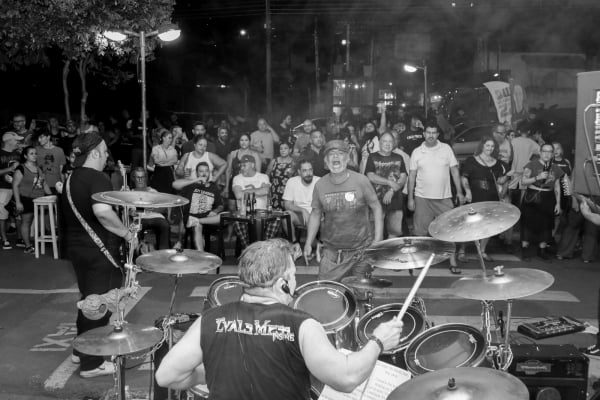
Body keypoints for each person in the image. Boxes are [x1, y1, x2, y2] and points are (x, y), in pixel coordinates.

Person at [155, 239, 403, 398]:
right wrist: (378, 341)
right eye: (292, 275)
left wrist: (210, 372)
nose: (295, 281)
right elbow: (346, 378)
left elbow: (166, 376)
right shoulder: (303, 325)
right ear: (282, 283)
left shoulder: (209, 320)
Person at [60, 132, 132, 378]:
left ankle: (80, 351)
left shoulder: (72, 177)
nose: (106, 156)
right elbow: (102, 212)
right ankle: (92, 364)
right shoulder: (98, 177)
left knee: (89, 299)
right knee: (101, 304)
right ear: (95, 153)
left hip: (77, 249)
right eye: (104, 151)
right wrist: (127, 234)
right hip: (99, 250)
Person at [304, 140, 383, 281]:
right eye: (331, 154)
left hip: (361, 251)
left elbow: (376, 207)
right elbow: (315, 214)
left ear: (347, 158)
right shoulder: (320, 185)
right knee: (326, 289)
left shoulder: (361, 180)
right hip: (332, 252)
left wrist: (378, 239)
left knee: (359, 292)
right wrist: (308, 243)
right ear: (326, 161)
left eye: (340, 153)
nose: (335, 156)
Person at [407, 120, 464, 274]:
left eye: (434, 133)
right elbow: (411, 176)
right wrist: (410, 198)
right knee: (420, 232)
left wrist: (459, 192)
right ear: (424, 134)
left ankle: (452, 261)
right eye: (428, 133)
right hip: (422, 197)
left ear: (438, 134)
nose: (431, 135)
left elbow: (454, 171)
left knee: (449, 229)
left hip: (444, 197)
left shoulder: (446, 149)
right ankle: (419, 259)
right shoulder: (417, 152)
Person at [459, 136, 510, 261]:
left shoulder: (497, 163)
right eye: (488, 145)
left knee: (488, 225)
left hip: (491, 198)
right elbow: (464, 177)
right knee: (469, 224)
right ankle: (461, 251)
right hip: (474, 196)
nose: (490, 148)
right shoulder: (472, 160)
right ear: (482, 146)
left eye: (492, 146)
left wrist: (508, 176)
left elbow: (499, 181)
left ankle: (482, 251)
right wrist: (467, 192)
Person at [520, 143, 564, 260]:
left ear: (552, 154)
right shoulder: (531, 164)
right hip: (533, 195)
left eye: (550, 152)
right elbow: (523, 181)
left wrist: (558, 203)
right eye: (544, 151)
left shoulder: (556, 168)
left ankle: (542, 250)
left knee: (546, 224)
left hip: (548, 196)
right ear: (540, 152)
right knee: (528, 223)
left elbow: (557, 186)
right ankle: (525, 249)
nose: (547, 154)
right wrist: (537, 177)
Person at [173, 162, 224, 251]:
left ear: (209, 173)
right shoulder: (191, 185)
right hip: (191, 217)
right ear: (196, 173)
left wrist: (215, 211)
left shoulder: (213, 187)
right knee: (197, 225)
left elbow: (220, 206)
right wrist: (195, 180)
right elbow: (175, 184)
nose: (204, 173)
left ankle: (197, 222)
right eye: (201, 171)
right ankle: (201, 253)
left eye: (206, 171)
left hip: (207, 218)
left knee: (224, 216)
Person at [365, 132, 407, 238]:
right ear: (379, 142)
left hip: (396, 202)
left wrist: (392, 190)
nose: (387, 144)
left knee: (394, 233)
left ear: (394, 143)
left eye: (390, 141)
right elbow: (370, 176)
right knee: (375, 234)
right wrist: (389, 182)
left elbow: (403, 177)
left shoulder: (399, 157)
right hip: (376, 202)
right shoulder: (372, 157)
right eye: (385, 141)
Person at [231, 155, 279, 248]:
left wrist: (246, 191)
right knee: (237, 222)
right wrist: (258, 190)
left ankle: (264, 248)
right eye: (241, 165)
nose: (241, 168)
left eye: (244, 165)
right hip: (244, 214)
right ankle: (248, 249)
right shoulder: (237, 178)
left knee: (276, 220)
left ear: (252, 165)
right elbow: (238, 195)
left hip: (263, 212)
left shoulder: (263, 177)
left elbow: (266, 191)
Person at [13, 146, 52, 254]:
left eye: (35, 153)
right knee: (27, 221)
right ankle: (28, 246)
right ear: (25, 156)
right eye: (31, 153)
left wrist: (51, 196)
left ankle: (32, 241)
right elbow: (15, 186)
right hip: (26, 199)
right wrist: (18, 202)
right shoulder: (21, 168)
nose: (34, 155)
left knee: (39, 221)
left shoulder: (39, 168)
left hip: (39, 199)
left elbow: (44, 184)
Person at [129, 167, 170, 250]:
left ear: (145, 178)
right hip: (140, 219)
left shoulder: (153, 191)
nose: (140, 180)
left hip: (157, 217)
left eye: (142, 177)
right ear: (134, 178)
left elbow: (164, 207)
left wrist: (154, 209)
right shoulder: (130, 193)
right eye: (138, 177)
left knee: (165, 225)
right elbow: (131, 211)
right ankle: (138, 252)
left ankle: (163, 253)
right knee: (135, 228)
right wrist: (144, 209)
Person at [283, 159, 320, 241]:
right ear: (299, 172)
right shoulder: (292, 181)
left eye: (310, 170)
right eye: (305, 171)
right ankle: (294, 243)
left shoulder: (319, 181)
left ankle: (317, 242)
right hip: (299, 215)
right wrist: (302, 210)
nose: (308, 173)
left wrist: (314, 214)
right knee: (286, 216)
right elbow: (287, 204)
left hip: (317, 214)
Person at [224, 134, 262, 214]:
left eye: (246, 140)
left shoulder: (254, 154)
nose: (244, 142)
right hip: (234, 183)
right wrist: (226, 187)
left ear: (249, 142)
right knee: (231, 208)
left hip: (248, 184)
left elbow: (258, 173)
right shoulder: (233, 153)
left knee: (246, 207)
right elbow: (228, 171)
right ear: (239, 141)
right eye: (242, 140)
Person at [0, 132, 23, 249]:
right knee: (2, 214)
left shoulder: (18, 154)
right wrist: (10, 169)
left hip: (18, 188)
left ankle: (20, 238)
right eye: (16, 140)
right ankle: (4, 239)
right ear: (8, 141)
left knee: (18, 213)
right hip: (3, 188)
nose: (18, 142)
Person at [266, 142, 295, 211]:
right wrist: (268, 186)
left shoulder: (293, 163)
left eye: (285, 148)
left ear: (290, 150)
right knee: (274, 213)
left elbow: (296, 179)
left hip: (287, 192)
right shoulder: (274, 161)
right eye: (281, 149)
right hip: (274, 191)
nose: (283, 150)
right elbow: (266, 174)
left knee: (287, 213)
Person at [149, 130, 178, 194]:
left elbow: (175, 160)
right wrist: (169, 161)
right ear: (163, 138)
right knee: (158, 192)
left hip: (169, 174)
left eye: (171, 138)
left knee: (169, 193)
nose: (171, 140)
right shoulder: (156, 148)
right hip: (159, 173)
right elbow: (156, 161)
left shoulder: (173, 149)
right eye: (169, 138)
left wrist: (163, 163)